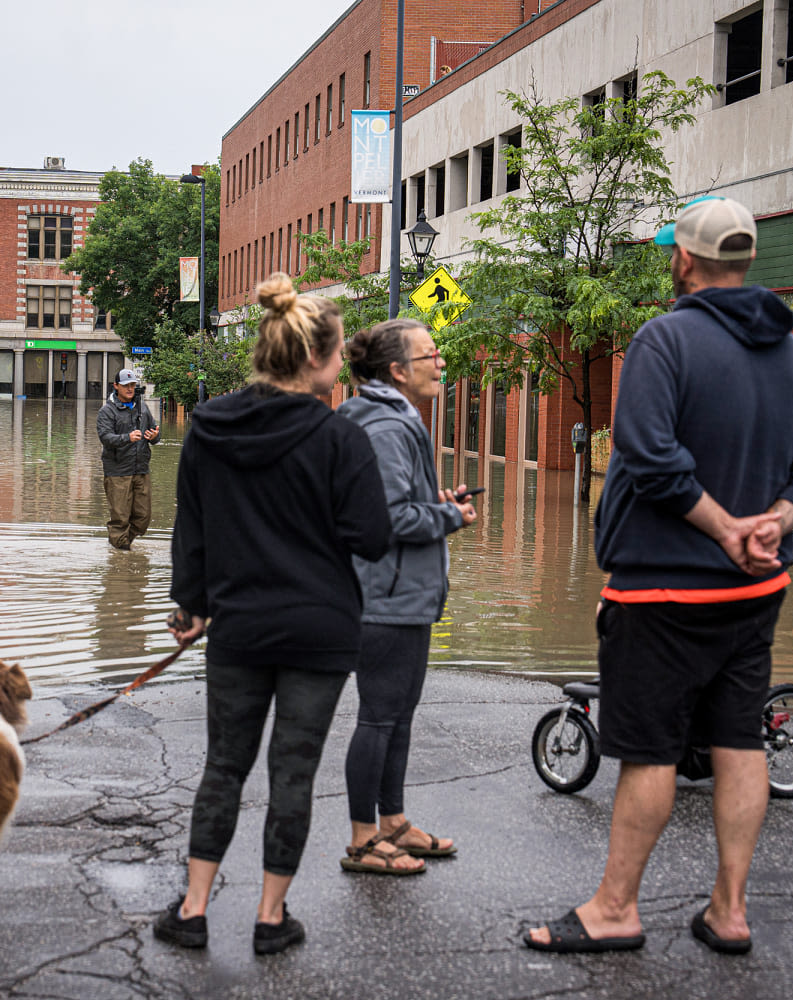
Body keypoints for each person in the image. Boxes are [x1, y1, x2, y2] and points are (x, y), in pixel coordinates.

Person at [523, 196, 793, 955]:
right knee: (738, 744)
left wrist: (725, 524)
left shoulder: (663, 340)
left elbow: (645, 451)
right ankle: (729, 911)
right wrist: (779, 519)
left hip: (663, 591)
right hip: (755, 592)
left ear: (686, 260)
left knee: (650, 751)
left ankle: (614, 909)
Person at [153, 273, 391, 955]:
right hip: (320, 632)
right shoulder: (340, 440)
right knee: (294, 773)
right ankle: (269, 917)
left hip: (239, 629)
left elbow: (189, 529)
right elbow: (371, 538)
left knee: (224, 766)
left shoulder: (209, 429)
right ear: (314, 359)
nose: (344, 363)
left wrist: (191, 606)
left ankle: (193, 909)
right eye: (340, 351)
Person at [336, 319, 475, 875]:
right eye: (430, 355)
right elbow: (388, 517)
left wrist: (433, 502)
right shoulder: (388, 427)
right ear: (397, 371)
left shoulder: (387, 418)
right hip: (385, 596)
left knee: (397, 714)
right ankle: (363, 840)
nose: (440, 363)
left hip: (399, 592)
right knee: (378, 717)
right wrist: (449, 515)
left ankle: (391, 822)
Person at [96, 368, 159, 550]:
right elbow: (105, 437)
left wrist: (154, 436)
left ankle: (121, 546)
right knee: (120, 519)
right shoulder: (107, 411)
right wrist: (127, 438)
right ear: (116, 386)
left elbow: (156, 433)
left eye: (132, 385)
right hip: (117, 473)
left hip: (141, 470)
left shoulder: (143, 407)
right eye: (126, 385)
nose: (130, 389)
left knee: (143, 518)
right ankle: (121, 561)